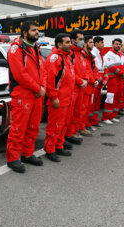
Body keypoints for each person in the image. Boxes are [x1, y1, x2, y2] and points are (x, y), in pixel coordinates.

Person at [6, 21, 46, 173]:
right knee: (18, 128)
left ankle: (27, 153)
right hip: (23, 95)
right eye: (34, 30)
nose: (37, 32)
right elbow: (20, 75)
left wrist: (42, 87)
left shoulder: (36, 48)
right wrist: (38, 88)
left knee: (33, 127)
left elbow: (43, 70)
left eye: (37, 30)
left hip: (37, 95)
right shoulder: (16, 49)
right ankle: (13, 158)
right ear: (24, 33)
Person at [44, 33, 75, 162]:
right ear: (59, 44)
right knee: (54, 126)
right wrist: (54, 97)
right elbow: (49, 80)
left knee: (63, 125)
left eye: (70, 42)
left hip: (67, 99)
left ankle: (59, 145)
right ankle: (50, 150)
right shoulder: (55, 58)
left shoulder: (66, 57)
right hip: (58, 100)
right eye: (67, 42)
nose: (70, 44)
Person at [64, 29, 88, 144]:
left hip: (81, 88)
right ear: (73, 40)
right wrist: (80, 81)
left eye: (83, 39)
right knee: (70, 113)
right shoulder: (70, 53)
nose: (82, 41)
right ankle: (67, 134)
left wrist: (87, 79)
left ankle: (72, 132)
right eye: (80, 39)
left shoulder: (81, 53)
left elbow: (85, 69)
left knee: (77, 112)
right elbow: (70, 71)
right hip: (73, 88)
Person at [101, 38, 124, 124]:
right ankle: (106, 117)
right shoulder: (109, 54)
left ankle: (112, 115)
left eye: (119, 44)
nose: (118, 45)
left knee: (117, 98)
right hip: (113, 80)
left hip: (119, 79)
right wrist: (121, 73)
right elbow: (111, 67)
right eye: (116, 44)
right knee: (110, 98)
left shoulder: (120, 54)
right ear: (112, 44)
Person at [81, 35, 98, 134]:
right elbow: (86, 71)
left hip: (91, 86)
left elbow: (94, 70)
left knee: (87, 108)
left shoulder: (90, 56)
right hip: (86, 86)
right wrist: (93, 80)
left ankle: (83, 126)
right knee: (82, 109)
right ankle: (81, 128)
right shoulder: (83, 55)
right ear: (85, 43)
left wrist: (96, 79)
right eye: (91, 42)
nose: (92, 44)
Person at [90, 36, 107, 127]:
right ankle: (89, 123)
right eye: (101, 42)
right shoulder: (93, 54)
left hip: (100, 82)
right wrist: (100, 79)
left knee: (96, 104)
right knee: (92, 104)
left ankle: (94, 121)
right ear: (96, 43)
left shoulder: (100, 54)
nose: (103, 44)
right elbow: (94, 69)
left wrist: (105, 79)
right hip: (96, 82)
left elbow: (103, 68)